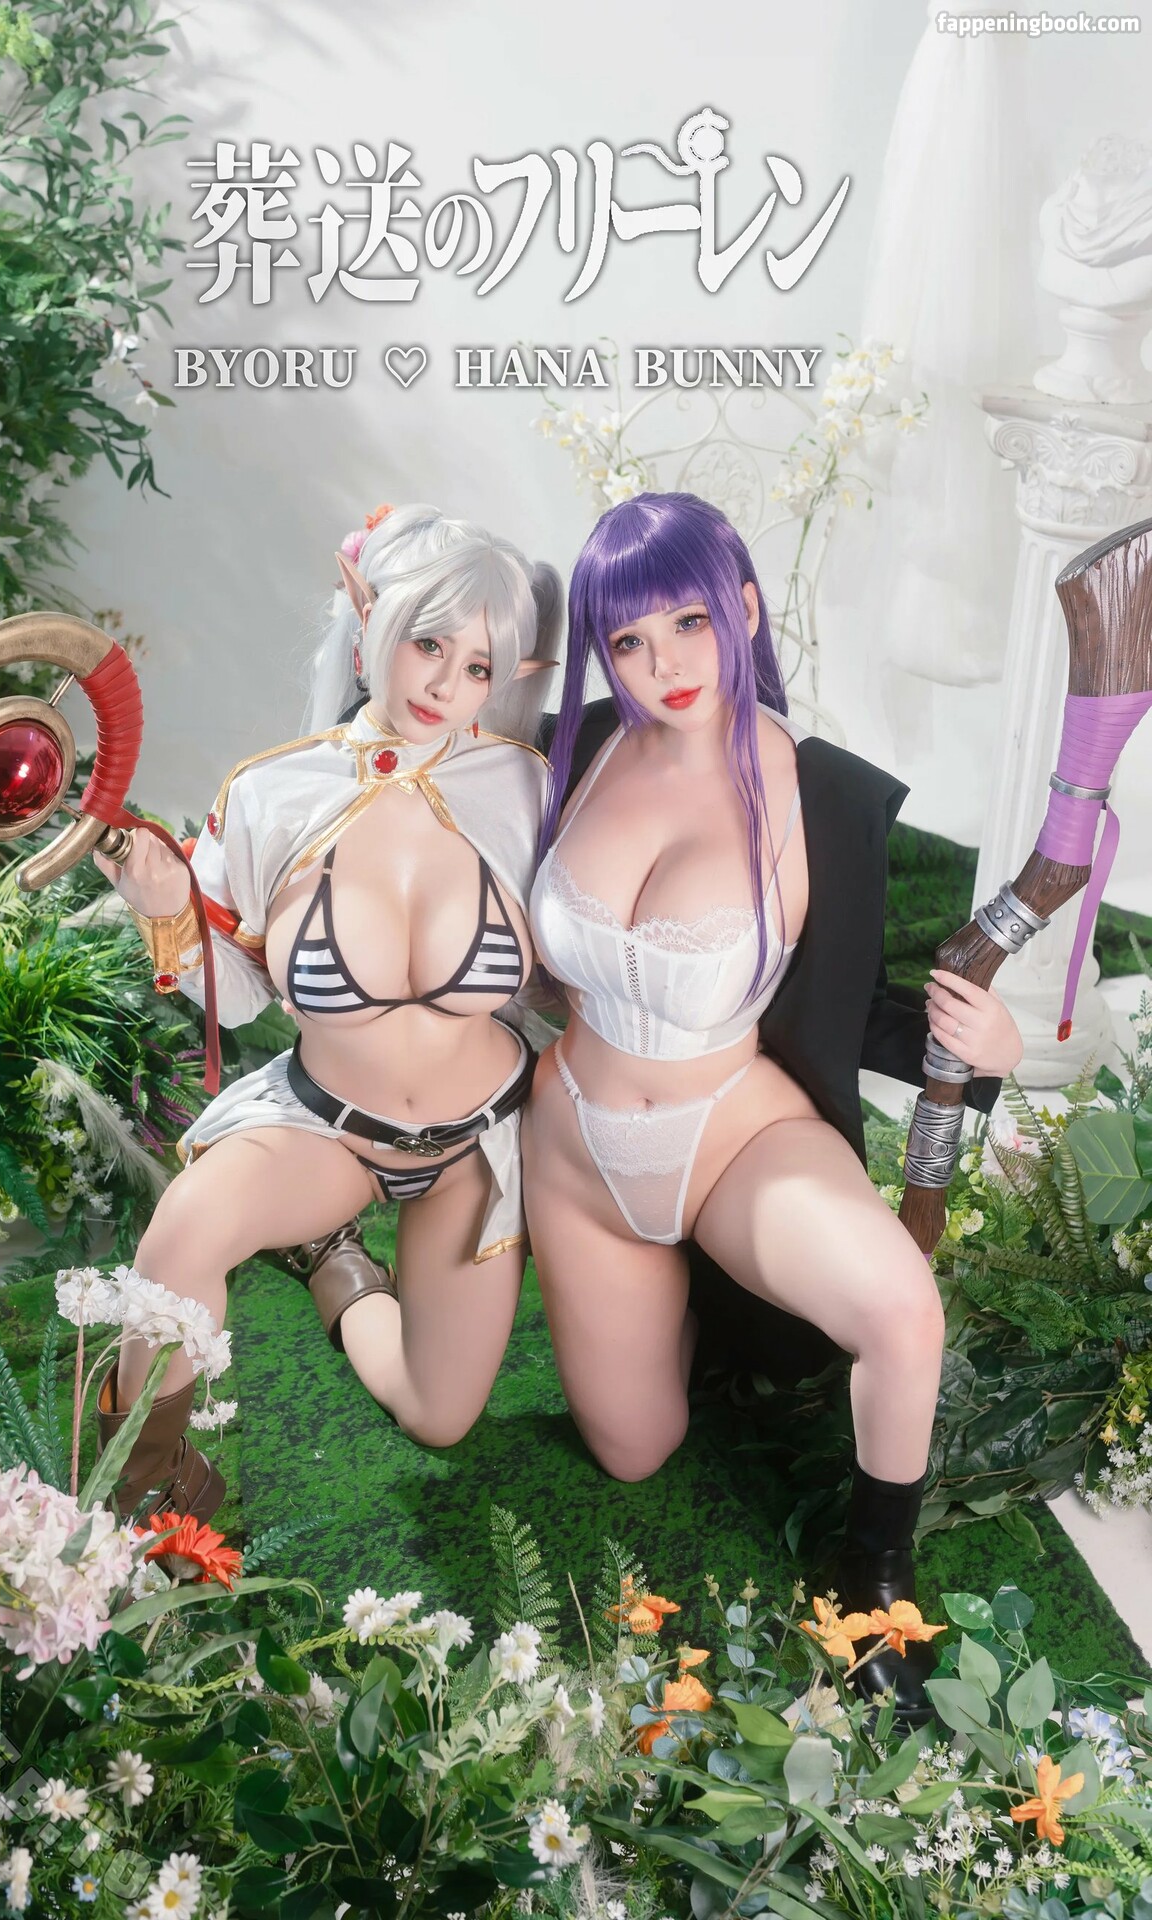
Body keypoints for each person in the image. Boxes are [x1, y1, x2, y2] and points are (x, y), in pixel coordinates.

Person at [524, 491, 1022, 1721]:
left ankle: (875, 1583)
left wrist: (986, 1048)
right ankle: (685, 1306)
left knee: (899, 1313)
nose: (664, 665)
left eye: (689, 622)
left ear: (741, 606)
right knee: (632, 1449)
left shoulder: (819, 793)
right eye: (629, 639)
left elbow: (856, 995)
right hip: (575, 1148)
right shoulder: (576, 745)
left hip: (732, 1135)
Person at [93, 505, 561, 1523]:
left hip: (480, 1150)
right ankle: (141, 1481)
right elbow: (243, 993)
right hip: (328, 1132)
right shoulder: (270, 793)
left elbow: (571, 964)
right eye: (428, 643)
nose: (445, 685)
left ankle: (336, 1265)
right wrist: (168, 911)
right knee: (182, 1232)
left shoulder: (525, 789)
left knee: (437, 1417)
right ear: (366, 609)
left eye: (478, 666)